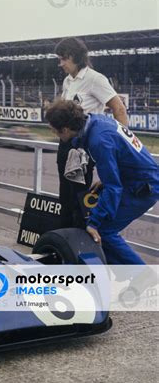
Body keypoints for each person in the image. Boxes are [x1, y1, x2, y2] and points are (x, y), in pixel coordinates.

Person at [45, 99, 158, 265]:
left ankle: (143, 275)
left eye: (56, 132)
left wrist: (95, 223)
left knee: (102, 231)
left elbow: (114, 188)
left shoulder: (99, 140)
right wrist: (105, 181)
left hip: (144, 187)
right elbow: (121, 160)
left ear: (66, 129)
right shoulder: (95, 121)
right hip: (138, 179)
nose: (57, 136)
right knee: (100, 229)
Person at [54, 37, 128, 228]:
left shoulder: (95, 79)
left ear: (73, 57)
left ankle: (79, 247)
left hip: (84, 149)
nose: (60, 63)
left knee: (79, 202)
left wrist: (122, 144)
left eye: (63, 59)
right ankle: (63, 244)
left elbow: (119, 109)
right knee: (65, 200)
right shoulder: (67, 81)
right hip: (65, 145)